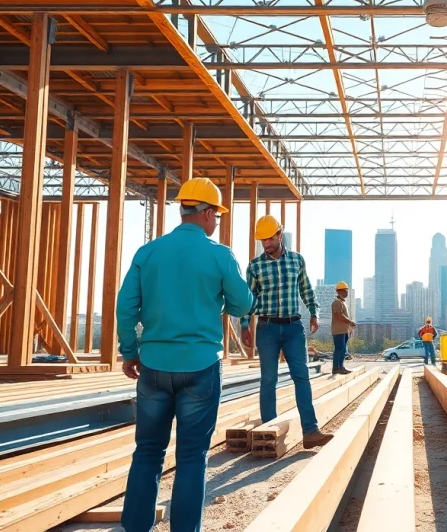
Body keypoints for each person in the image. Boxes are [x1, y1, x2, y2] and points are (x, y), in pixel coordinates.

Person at [116, 177, 254, 532]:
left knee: (147, 453)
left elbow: (126, 307)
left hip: (153, 367)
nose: (217, 222)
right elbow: (243, 303)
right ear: (207, 213)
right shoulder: (219, 255)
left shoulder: (148, 252)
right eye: (217, 215)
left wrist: (130, 351)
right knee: (192, 458)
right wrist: (218, 297)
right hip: (201, 367)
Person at [242, 214, 333, 450]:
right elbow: (249, 299)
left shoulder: (296, 260)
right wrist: (244, 325)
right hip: (267, 328)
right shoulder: (255, 266)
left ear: (279, 235)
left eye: (269, 239)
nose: (266, 244)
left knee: (301, 377)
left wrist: (314, 313)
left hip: (293, 328)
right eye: (262, 240)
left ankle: (311, 431)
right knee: (268, 380)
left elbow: (306, 289)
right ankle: (268, 432)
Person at [330, 281, 355, 375]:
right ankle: (336, 368)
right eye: (346, 291)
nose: (347, 293)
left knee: (343, 349)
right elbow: (339, 316)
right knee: (339, 349)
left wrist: (349, 328)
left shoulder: (342, 302)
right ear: (341, 291)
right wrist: (350, 322)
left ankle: (341, 367)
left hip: (343, 331)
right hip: (338, 331)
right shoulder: (336, 303)